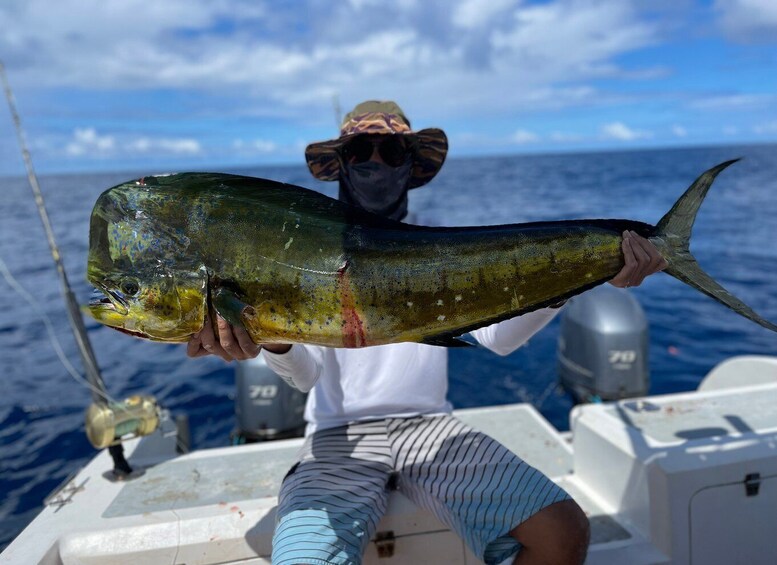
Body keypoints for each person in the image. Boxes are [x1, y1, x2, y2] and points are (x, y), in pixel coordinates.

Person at [187, 100, 667, 564]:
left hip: (430, 429)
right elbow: (305, 378)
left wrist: (568, 278)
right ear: (342, 166)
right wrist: (274, 339)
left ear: (409, 167)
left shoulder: (440, 243)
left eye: (391, 152)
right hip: (338, 435)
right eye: (360, 152)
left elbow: (497, 339)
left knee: (563, 531)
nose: (375, 163)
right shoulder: (301, 251)